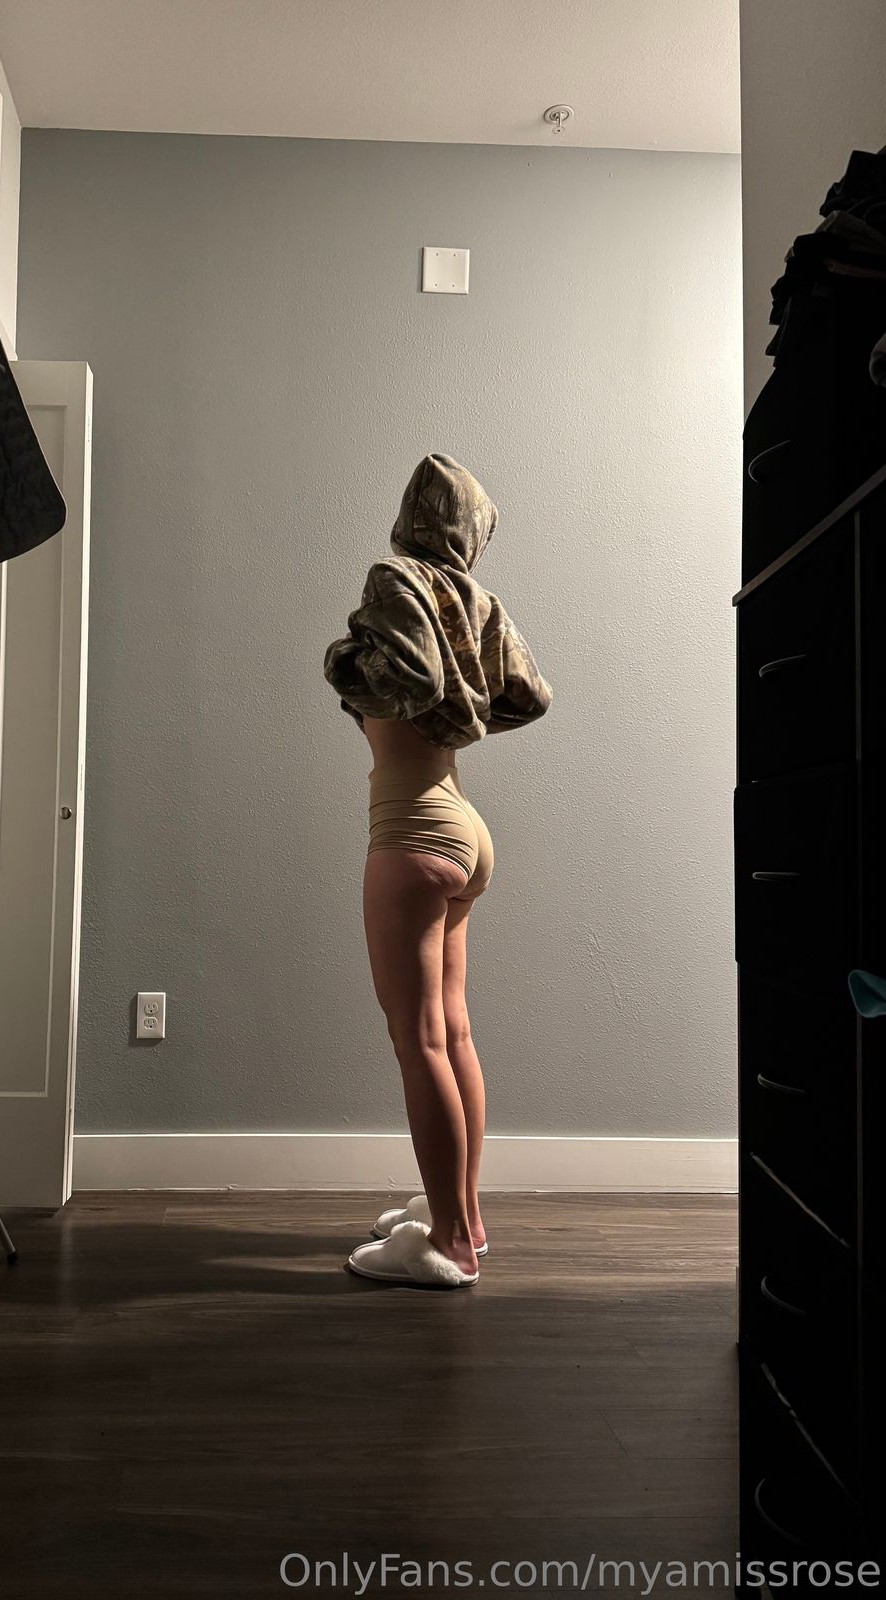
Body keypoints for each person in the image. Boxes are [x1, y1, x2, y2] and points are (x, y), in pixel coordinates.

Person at [322, 453, 553, 1289]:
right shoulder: (475, 601)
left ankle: (449, 1244)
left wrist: (341, 660)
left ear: (413, 513)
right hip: (463, 826)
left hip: (414, 829)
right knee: (451, 1034)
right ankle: (465, 1217)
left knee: (418, 1040)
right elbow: (528, 696)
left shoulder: (397, 580)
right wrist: (465, 709)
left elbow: (411, 678)